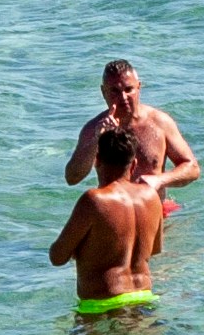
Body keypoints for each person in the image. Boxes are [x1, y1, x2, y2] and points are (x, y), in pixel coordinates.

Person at [49, 122, 166, 317]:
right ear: (134, 164)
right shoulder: (151, 197)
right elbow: (155, 249)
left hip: (102, 306)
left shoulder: (94, 200)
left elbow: (57, 257)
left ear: (97, 161)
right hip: (144, 298)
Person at [63, 58, 199, 195]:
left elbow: (192, 168)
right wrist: (97, 140)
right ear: (104, 92)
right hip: (116, 210)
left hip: (154, 209)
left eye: (128, 89)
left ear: (139, 87)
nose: (123, 97)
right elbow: (72, 178)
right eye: (115, 91)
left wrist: (159, 180)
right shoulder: (93, 129)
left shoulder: (159, 122)